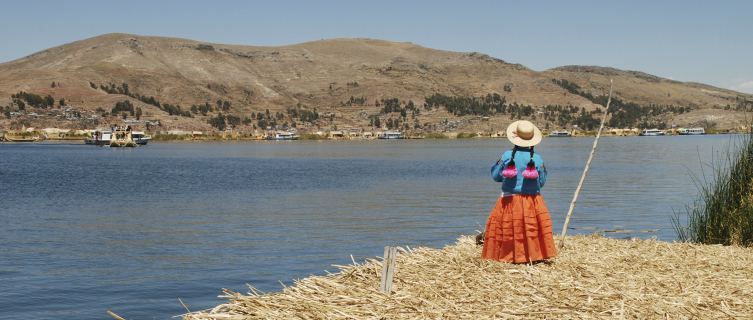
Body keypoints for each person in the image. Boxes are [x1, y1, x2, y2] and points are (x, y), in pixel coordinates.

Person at [481, 120, 557, 263]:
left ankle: (508, 255)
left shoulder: (507, 156)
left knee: (508, 228)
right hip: (533, 201)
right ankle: (532, 255)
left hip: (510, 200)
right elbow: (541, 182)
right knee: (530, 228)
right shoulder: (538, 158)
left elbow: (496, 176)